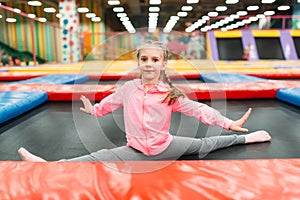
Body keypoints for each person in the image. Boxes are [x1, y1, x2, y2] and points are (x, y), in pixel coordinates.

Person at [18, 40, 271, 162]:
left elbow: (199, 110)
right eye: (144, 60)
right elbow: (111, 102)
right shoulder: (128, 88)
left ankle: (248, 137)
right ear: (138, 63)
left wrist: (228, 123)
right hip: (134, 150)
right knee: (98, 156)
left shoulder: (170, 94)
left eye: (155, 60)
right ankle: (48, 165)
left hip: (167, 146)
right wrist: (94, 110)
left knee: (206, 143)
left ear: (163, 64)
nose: (149, 64)